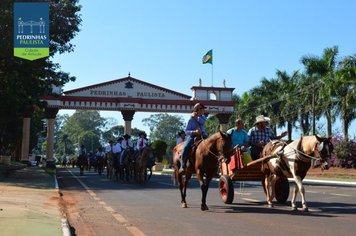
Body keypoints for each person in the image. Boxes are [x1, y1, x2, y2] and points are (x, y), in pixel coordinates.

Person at [180, 103, 208, 172]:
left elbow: (202, 122)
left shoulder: (203, 117)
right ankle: (182, 165)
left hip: (203, 135)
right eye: (202, 109)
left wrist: (196, 117)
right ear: (197, 110)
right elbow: (186, 131)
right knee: (185, 148)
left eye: (203, 109)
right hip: (193, 137)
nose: (203, 110)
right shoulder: (190, 120)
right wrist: (194, 132)